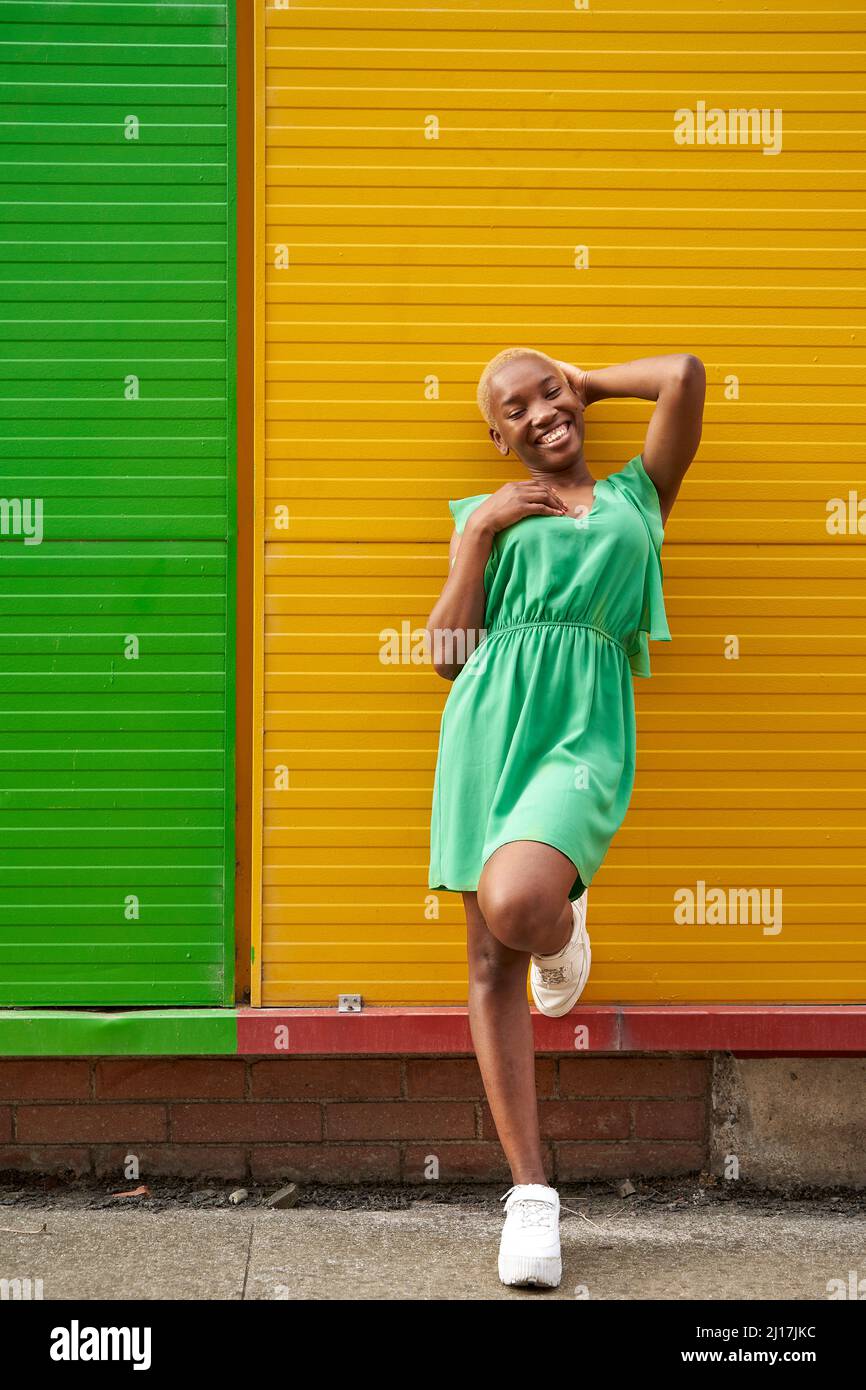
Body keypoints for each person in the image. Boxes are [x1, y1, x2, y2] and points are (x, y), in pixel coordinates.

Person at [426, 347, 705, 1288]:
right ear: (494, 435)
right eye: (517, 408)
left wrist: (583, 378)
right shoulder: (484, 517)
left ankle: (561, 923)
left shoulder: (637, 498)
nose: (542, 412)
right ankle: (531, 1200)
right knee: (485, 962)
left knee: (517, 905)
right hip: (487, 729)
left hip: (583, 734)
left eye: (550, 392)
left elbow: (684, 375)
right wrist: (481, 533)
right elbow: (446, 655)